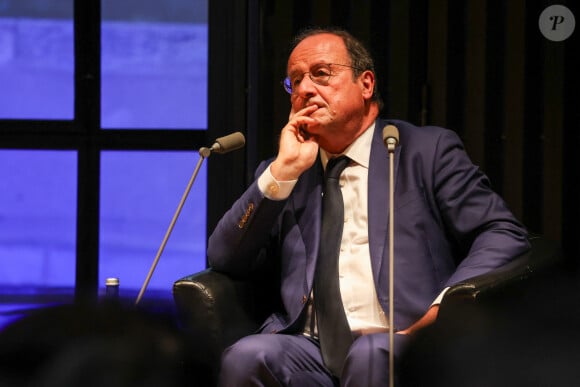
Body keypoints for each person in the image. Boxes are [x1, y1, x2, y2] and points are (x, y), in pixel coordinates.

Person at [206, 26, 530, 386]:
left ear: (366, 84)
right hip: (307, 348)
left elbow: (501, 232)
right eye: (294, 82)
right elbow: (223, 257)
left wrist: (443, 309)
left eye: (321, 74)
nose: (304, 90)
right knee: (247, 356)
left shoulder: (423, 151)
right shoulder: (284, 171)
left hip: (404, 339)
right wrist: (283, 172)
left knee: (370, 355)